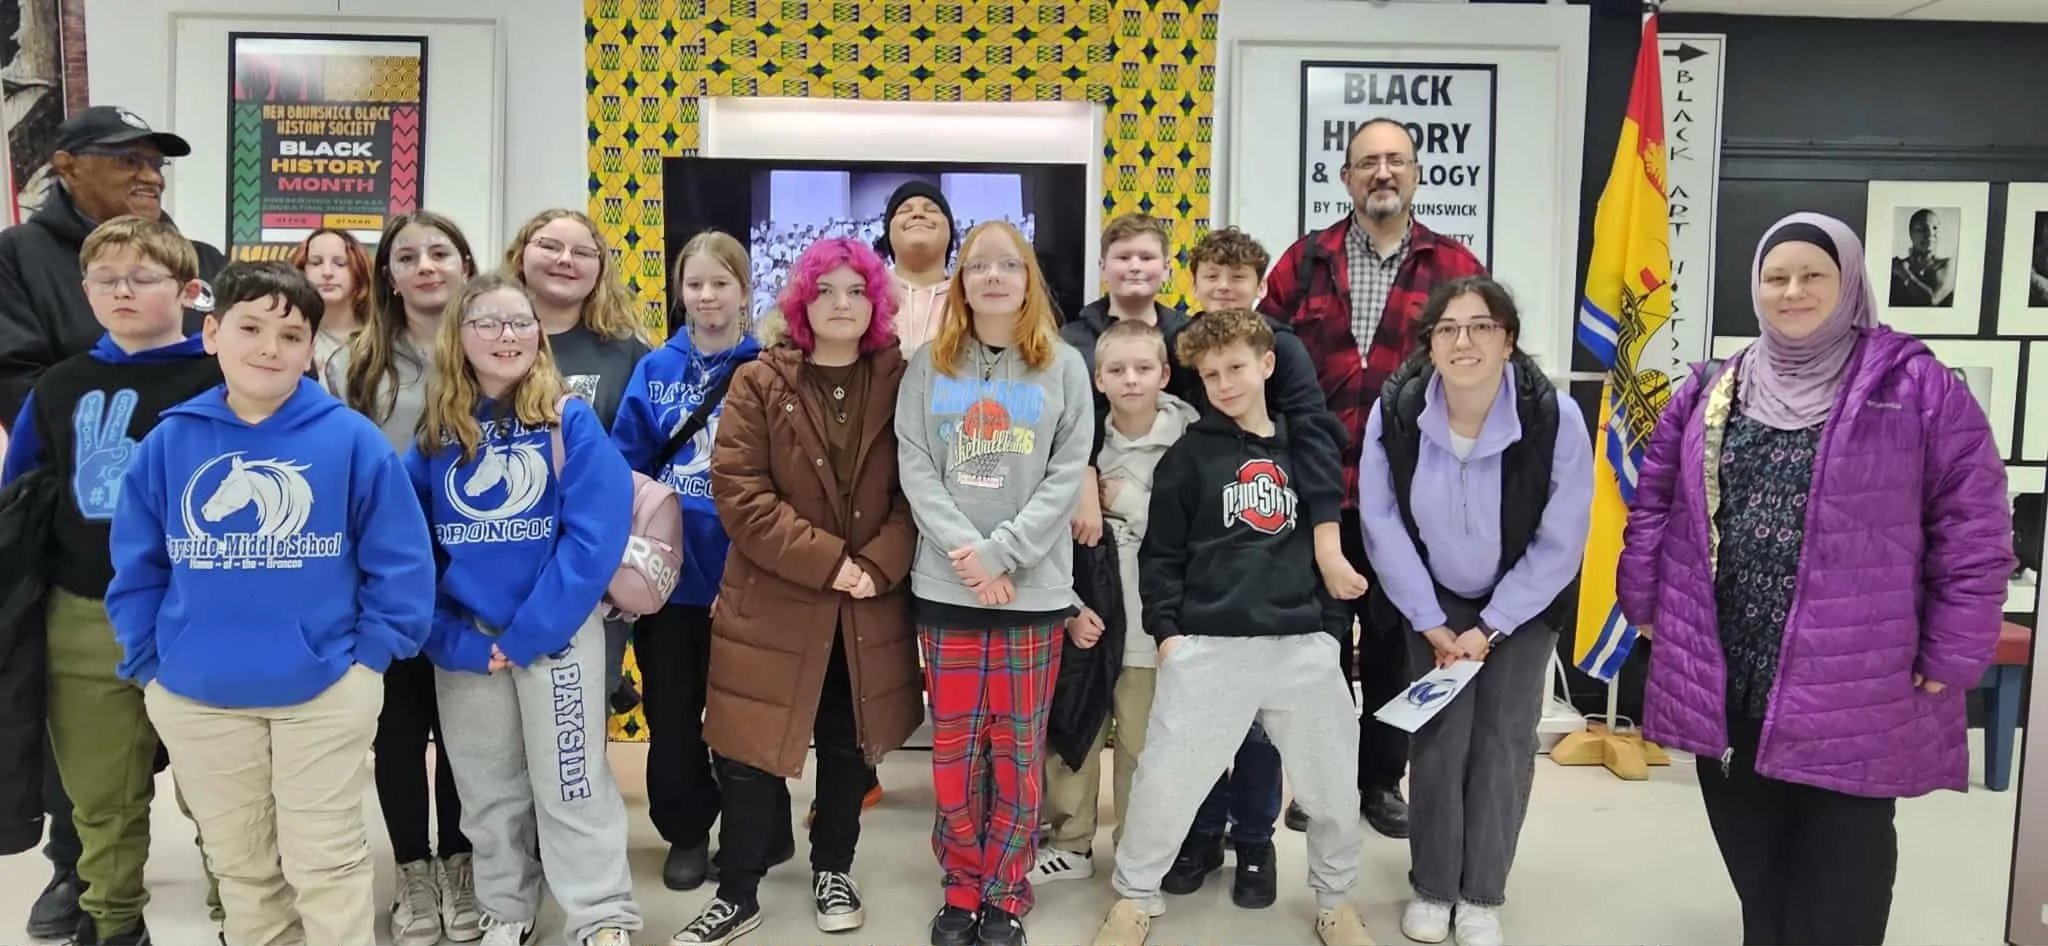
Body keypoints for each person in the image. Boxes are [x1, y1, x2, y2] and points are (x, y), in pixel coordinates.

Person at [1619, 212, 2014, 946]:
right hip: (1733, 673)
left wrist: (1955, 649)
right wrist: (1642, 603)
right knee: (1757, 874)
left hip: (1856, 682)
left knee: (1843, 886)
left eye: (1813, 276)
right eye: (1777, 277)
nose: (1792, 291)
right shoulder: (1712, 388)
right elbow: (1655, 505)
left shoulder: (1917, 388)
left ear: (1850, 282)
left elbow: (1977, 530)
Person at [105, 261, 435, 946]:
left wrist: (370, 662)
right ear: (212, 334)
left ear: (311, 348)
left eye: (290, 336)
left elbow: (400, 565)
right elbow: (137, 568)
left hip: (324, 691)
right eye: (250, 329)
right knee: (243, 867)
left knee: (328, 860)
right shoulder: (170, 442)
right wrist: (149, 666)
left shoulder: (350, 440)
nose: (269, 348)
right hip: (198, 695)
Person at [1089, 309, 1371, 946]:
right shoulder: (1187, 458)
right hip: (1209, 646)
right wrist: (1170, 637)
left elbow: (1331, 542)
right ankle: (1134, 897)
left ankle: (1336, 900)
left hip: (1301, 643)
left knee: (1330, 788)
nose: (1224, 383)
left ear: (1267, 365)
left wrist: (1330, 634)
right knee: (1165, 784)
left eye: (1236, 368)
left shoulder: (1306, 447)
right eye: (1211, 374)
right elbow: (1160, 557)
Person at [670, 238, 923, 945]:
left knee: (849, 747)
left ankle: (832, 868)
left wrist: (875, 566)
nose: (840, 304)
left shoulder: (904, 380)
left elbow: (921, 489)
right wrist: (831, 563)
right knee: (749, 752)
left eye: (855, 290)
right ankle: (739, 890)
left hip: (868, 601)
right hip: (775, 596)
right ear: (801, 301)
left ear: (876, 301)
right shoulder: (759, 381)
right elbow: (741, 493)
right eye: (825, 290)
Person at [0, 216, 226, 945]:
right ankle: (110, 917)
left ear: (189, 291)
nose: (122, 291)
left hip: (206, 615)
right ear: (85, 290)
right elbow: (25, 495)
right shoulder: (62, 385)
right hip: (83, 609)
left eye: (142, 277)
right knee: (100, 792)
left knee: (221, 789)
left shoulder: (227, 374)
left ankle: (243, 911)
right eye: (106, 279)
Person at [1260, 118, 1488, 839]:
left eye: (1395, 161)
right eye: (1367, 163)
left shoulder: (1456, 267)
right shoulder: (1305, 261)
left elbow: (1483, 373)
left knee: (1396, 647)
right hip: (1315, 496)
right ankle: (1319, 779)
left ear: (1417, 173)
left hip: (1411, 501)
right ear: (1347, 177)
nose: (1381, 173)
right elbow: (1259, 358)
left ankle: (1381, 780)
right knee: (1315, 650)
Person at [406, 273, 640, 946]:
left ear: (538, 336)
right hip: (471, 645)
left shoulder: (568, 419)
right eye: (487, 322)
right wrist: (454, 640)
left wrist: (533, 632)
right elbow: (409, 549)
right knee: (487, 789)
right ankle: (506, 906)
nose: (505, 336)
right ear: (459, 336)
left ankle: (601, 915)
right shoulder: (434, 434)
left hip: (557, 636)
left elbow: (595, 536)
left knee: (572, 783)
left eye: (519, 322)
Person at [1359, 276, 1593, 946]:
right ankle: (1433, 887)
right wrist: (1431, 620)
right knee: (1438, 739)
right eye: (1448, 329)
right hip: (1429, 599)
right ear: (1430, 343)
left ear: (1508, 340)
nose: (1464, 341)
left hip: (1519, 602)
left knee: (1502, 741)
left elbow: (1562, 536)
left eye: (1481, 326)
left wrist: (1492, 626)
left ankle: (1482, 893)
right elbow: (1380, 522)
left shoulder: (1553, 417)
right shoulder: (1398, 410)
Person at [896, 220, 1092, 946]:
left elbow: (1067, 473)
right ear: (962, 282)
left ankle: (1007, 891)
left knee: (1015, 753)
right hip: (947, 589)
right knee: (952, 753)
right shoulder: (928, 366)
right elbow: (915, 465)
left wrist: (1003, 554)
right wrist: (965, 551)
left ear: (1028, 278)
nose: (994, 277)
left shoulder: (1064, 368)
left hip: (1031, 595)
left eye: (1009, 264)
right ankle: (960, 884)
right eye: (979, 266)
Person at [325, 210, 483, 946]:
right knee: (397, 729)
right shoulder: (352, 363)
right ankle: (413, 868)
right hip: (385, 579)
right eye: (407, 255)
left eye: (440, 253)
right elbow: (335, 475)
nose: (426, 266)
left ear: (465, 265)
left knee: (463, 730)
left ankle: (460, 858)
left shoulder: (494, 351)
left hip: (474, 576)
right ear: (384, 273)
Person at [611, 230, 766, 891]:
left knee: (745, 714)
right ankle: (685, 830)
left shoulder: (767, 367)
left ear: (743, 290)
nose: (706, 296)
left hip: (749, 574)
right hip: (670, 579)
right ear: (680, 291)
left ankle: (751, 831)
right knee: (673, 713)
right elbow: (625, 462)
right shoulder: (654, 369)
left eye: (720, 284)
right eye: (695, 284)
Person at [1035, 319, 1196, 885]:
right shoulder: (1080, 440)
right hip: (1091, 613)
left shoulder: (1190, 438)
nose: (1131, 380)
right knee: (1072, 729)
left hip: (1152, 626)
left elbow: (1199, 528)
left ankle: (1136, 848)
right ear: (1097, 379)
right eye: (1117, 371)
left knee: (1141, 742)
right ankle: (1072, 843)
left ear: (1165, 375)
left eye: (1144, 369)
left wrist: (1129, 499)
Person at [504, 208, 653, 709]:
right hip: (498, 555)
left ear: (599, 268)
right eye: (550, 246)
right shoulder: (486, 342)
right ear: (521, 256)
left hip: (591, 566)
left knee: (576, 728)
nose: (566, 260)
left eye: (582, 252)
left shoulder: (630, 354)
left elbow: (643, 463)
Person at [0, 106, 225, 427]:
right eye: (129, 161)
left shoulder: (205, 260)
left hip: (202, 461)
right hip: (85, 465)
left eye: (157, 164)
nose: (153, 177)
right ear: (69, 167)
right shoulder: (16, 255)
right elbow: (14, 380)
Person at [874, 181, 955, 351]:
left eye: (931, 210)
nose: (918, 214)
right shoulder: (867, 295)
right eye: (905, 210)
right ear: (888, 232)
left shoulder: (971, 299)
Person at [290, 228, 372, 373]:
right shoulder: (290, 336)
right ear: (301, 271)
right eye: (316, 263)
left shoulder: (382, 337)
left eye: (340, 264)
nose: (327, 272)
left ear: (358, 271)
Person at [1888, 208, 1954, 308]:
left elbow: (1932, 300)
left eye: (1935, 228)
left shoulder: (1947, 265)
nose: (1930, 234)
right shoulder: (1896, 266)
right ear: (1911, 234)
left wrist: (1904, 274)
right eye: (1921, 229)